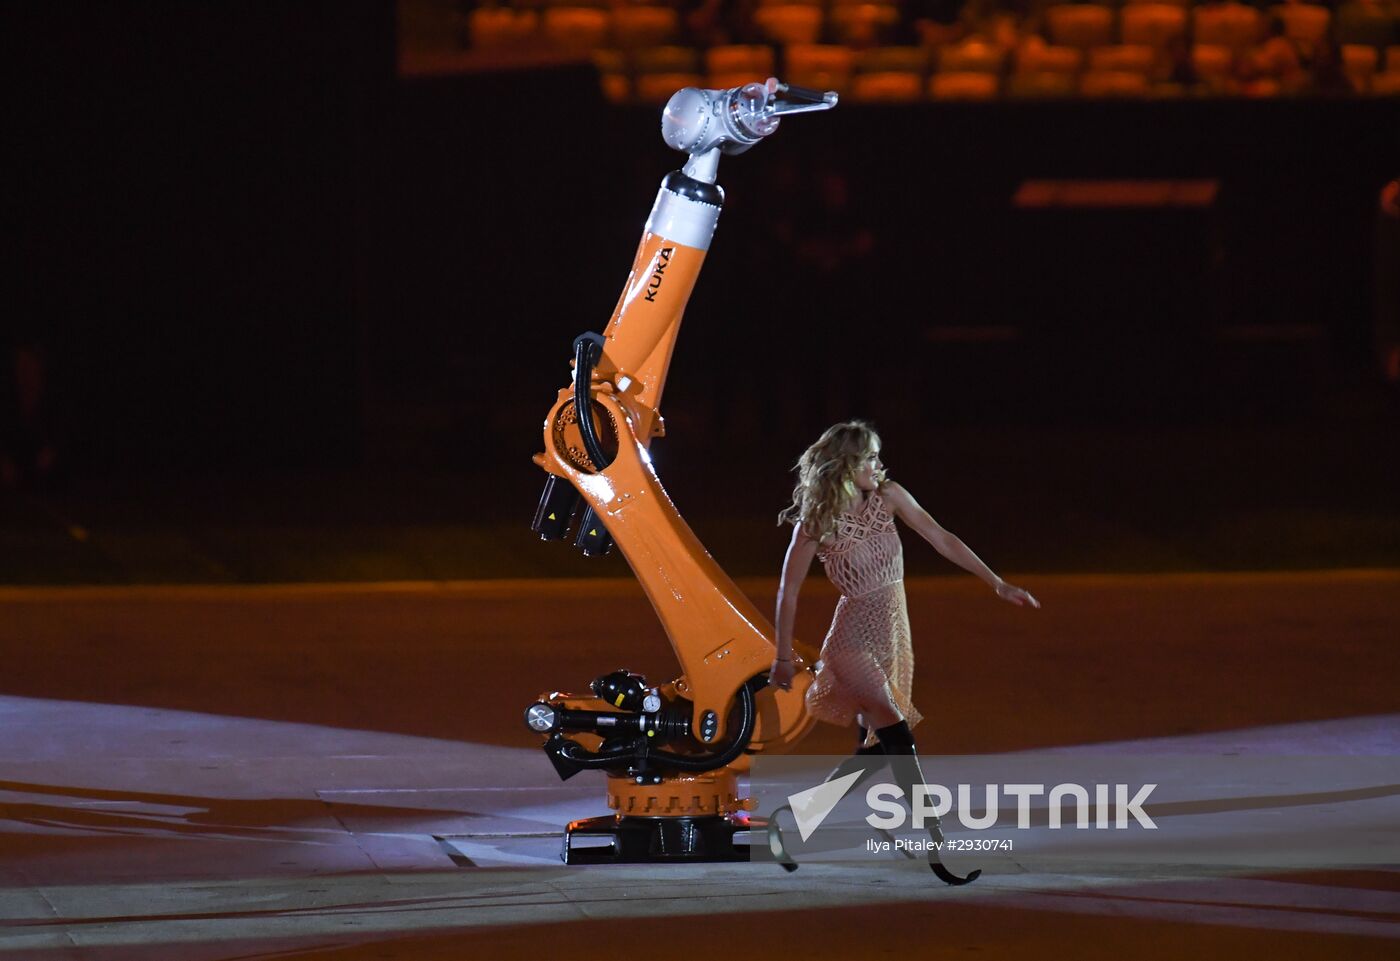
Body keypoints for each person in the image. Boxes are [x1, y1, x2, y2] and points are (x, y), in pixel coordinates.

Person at [765, 419, 1039, 882]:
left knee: (884, 748)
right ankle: (937, 845)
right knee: (900, 739)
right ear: (847, 464)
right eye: (869, 458)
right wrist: (783, 657)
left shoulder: (888, 496)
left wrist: (995, 582)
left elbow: (941, 536)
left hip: (891, 637)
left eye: (877, 456)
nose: (879, 465)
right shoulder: (817, 523)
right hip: (851, 643)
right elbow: (787, 593)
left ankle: (794, 817)